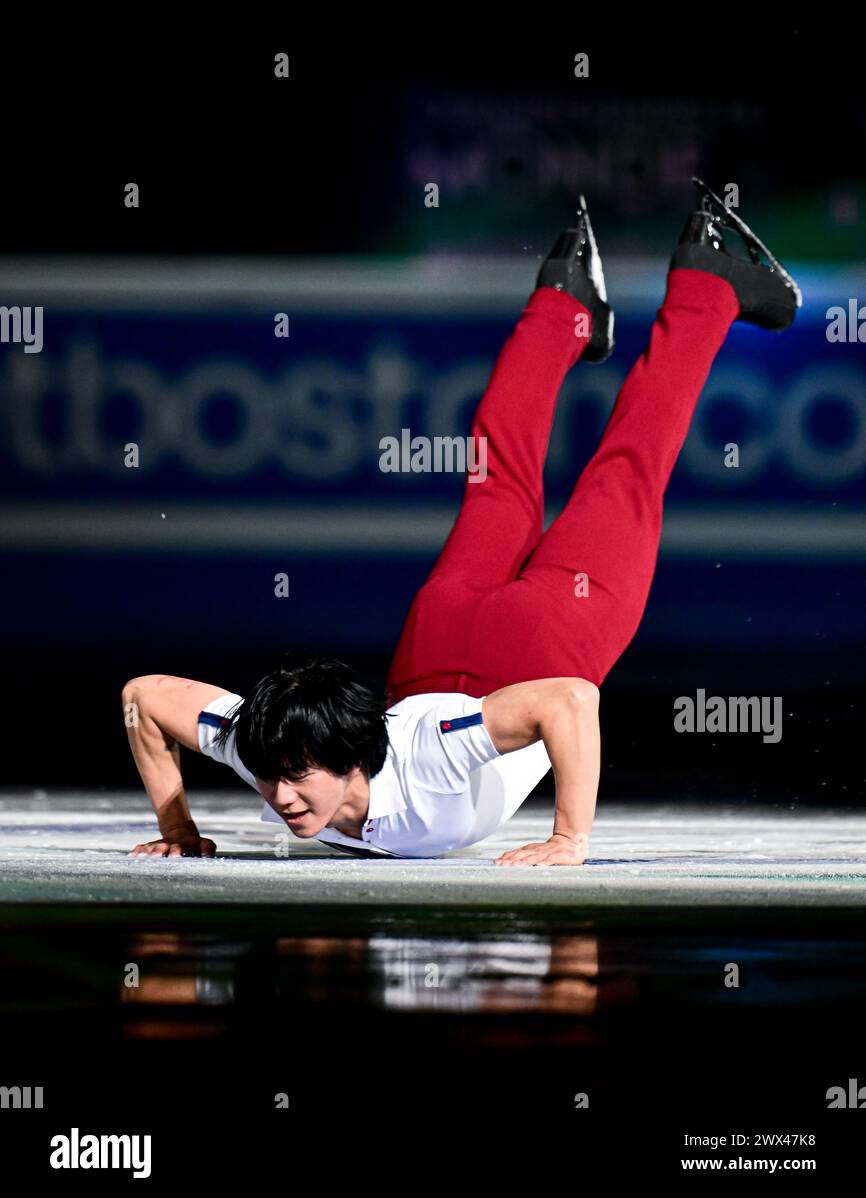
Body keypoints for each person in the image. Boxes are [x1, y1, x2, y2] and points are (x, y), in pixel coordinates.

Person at [123, 179, 801, 867]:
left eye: (296, 778)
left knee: (625, 470)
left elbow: (568, 699)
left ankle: (705, 284)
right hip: (440, 637)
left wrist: (569, 839)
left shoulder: (428, 759)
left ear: (353, 757)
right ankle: (563, 300)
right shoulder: (269, 741)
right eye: (270, 776)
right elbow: (143, 698)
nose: (280, 796)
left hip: (541, 641)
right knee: (496, 478)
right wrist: (179, 828)